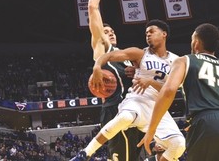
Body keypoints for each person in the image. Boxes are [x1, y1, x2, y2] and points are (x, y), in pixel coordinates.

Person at [138, 23, 219, 161]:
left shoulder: (184, 61)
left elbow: (168, 91)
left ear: (196, 43)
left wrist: (152, 129)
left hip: (206, 122)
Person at [74, 19, 186, 161]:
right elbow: (109, 56)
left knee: (179, 144)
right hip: (137, 100)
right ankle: (85, 153)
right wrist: (97, 66)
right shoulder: (140, 53)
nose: (148, 35)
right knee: (125, 118)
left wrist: (150, 81)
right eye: (146, 33)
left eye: (152, 32)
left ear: (164, 34)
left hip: (157, 108)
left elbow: (173, 89)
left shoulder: (177, 61)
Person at [70, 0, 143, 161]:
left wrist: (136, 72)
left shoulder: (126, 56)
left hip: (136, 107)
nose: (110, 33)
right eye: (106, 31)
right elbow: (92, 8)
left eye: (112, 31)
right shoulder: (103, 48)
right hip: (116, 108)